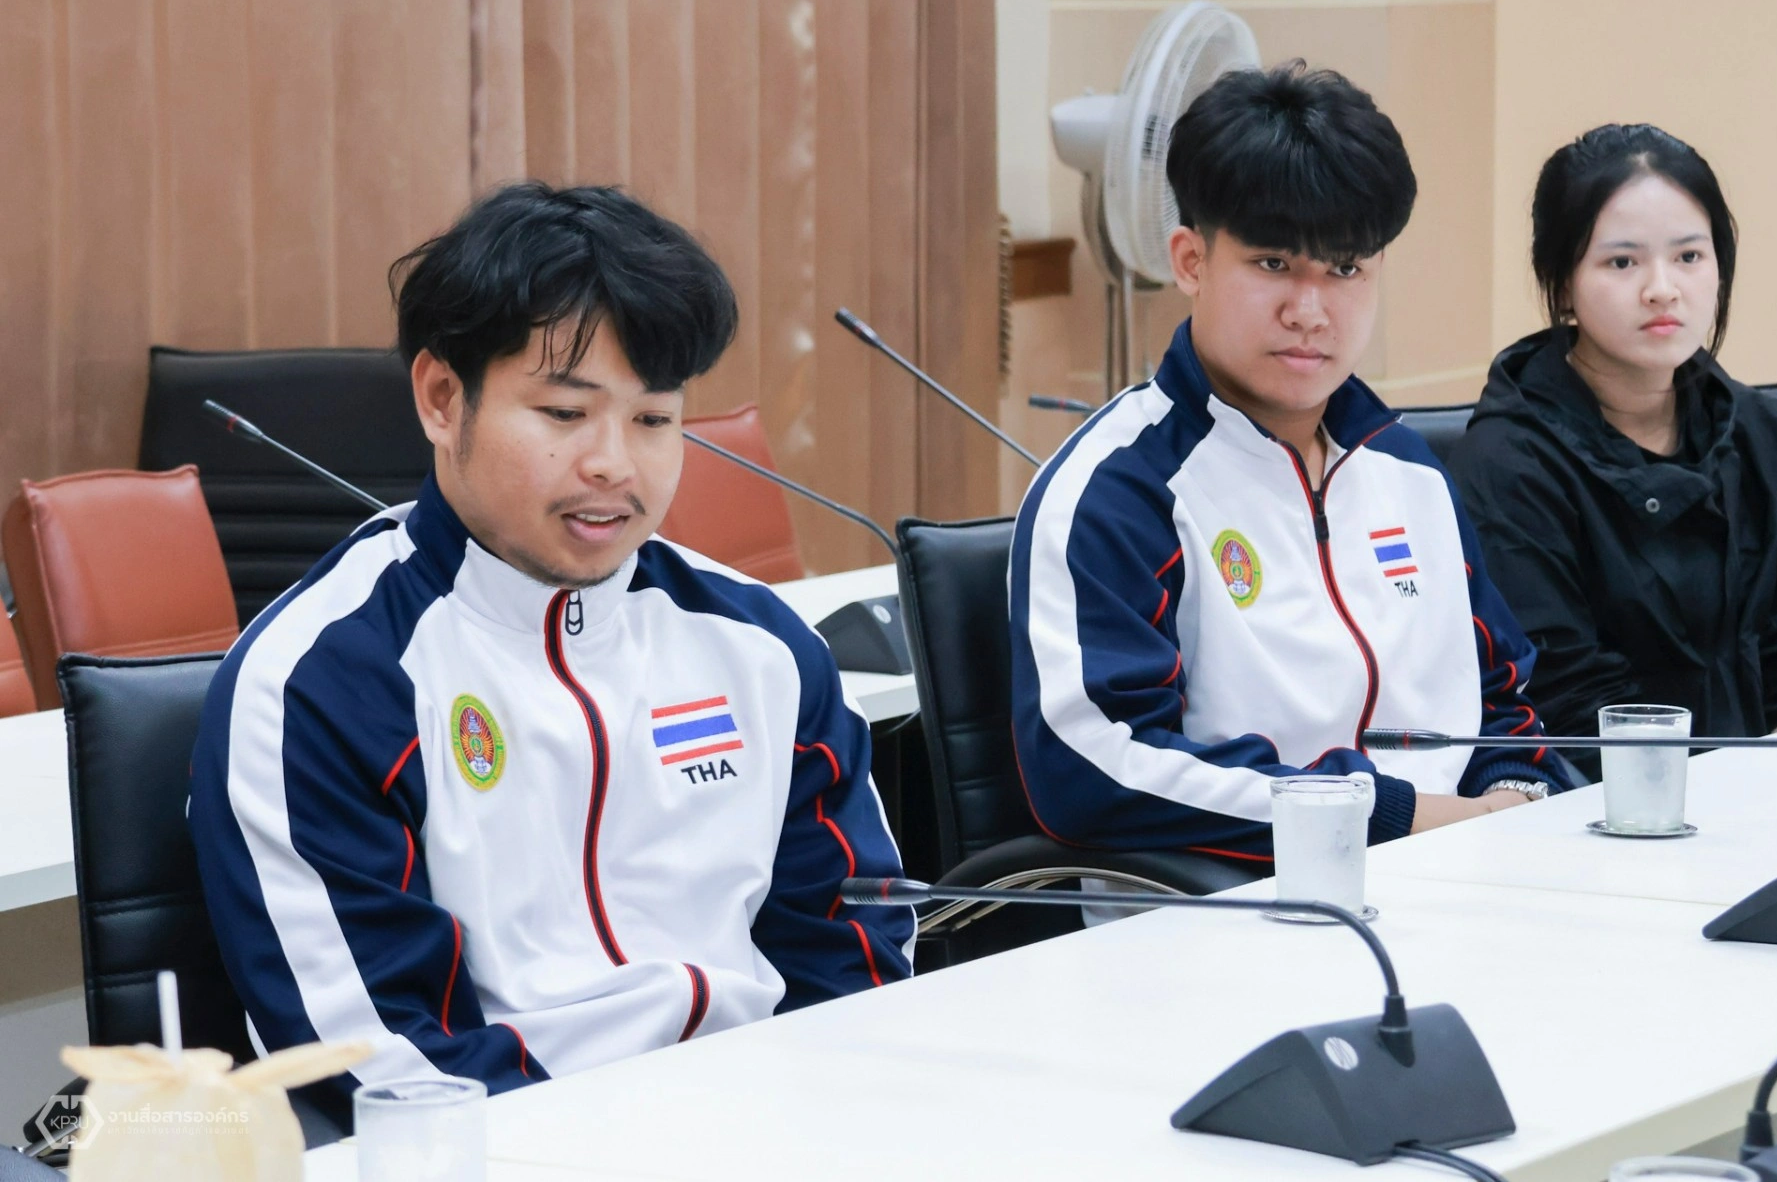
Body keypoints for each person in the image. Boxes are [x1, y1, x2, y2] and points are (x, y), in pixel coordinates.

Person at [190, 183, 913, 1104]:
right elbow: (384, 1066)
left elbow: (853, 953)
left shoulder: (761, 647)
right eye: (565, 414)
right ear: (442, 398)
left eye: (654, 419)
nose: (614, 462)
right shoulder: (323, 685)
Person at [1008, 63, 1575, 859]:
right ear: (1191, 261)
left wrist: (1517, 793)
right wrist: (1384, 815)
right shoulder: (1117, 492)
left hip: (1458, 881)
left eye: (1345, 269)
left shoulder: (1408, 470)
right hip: (1241, 909)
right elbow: (1094, 771)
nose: (1310, 311)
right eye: (1273, 264)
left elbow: (1501, 700)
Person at [1451, 124, 1777, 754]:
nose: (1663, 289)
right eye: (1623, 262)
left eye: (1689, 257)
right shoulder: (1508, 464)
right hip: (1614, 795)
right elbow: (1563, 691)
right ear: (1562, 284)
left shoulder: (1765, 433)